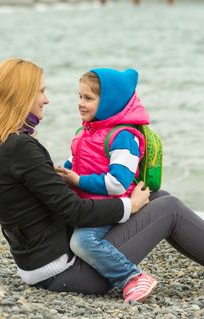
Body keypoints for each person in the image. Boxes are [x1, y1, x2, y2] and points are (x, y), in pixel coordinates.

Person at [0, 58, 204, 303]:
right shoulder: (21, 149)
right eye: (41, 91)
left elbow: (56, 207)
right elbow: (71, 211)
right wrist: (127, 205)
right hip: (64, 272)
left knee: (159, 197)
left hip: (44, 263)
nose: (47, 99)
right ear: (20, 95)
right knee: (168, 207)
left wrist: (114, 196)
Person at [56, 68, 157, 302]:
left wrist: (77, 181)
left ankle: (131, 277)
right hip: (88, 203)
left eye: (88, 98)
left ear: (109, 102)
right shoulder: (87, 131)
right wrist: (64, 171)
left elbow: (117, 183)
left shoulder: (124, 136)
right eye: (80, 97)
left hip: (111, 205)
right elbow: (78, 162)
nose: (81, 104)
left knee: (81, 241)